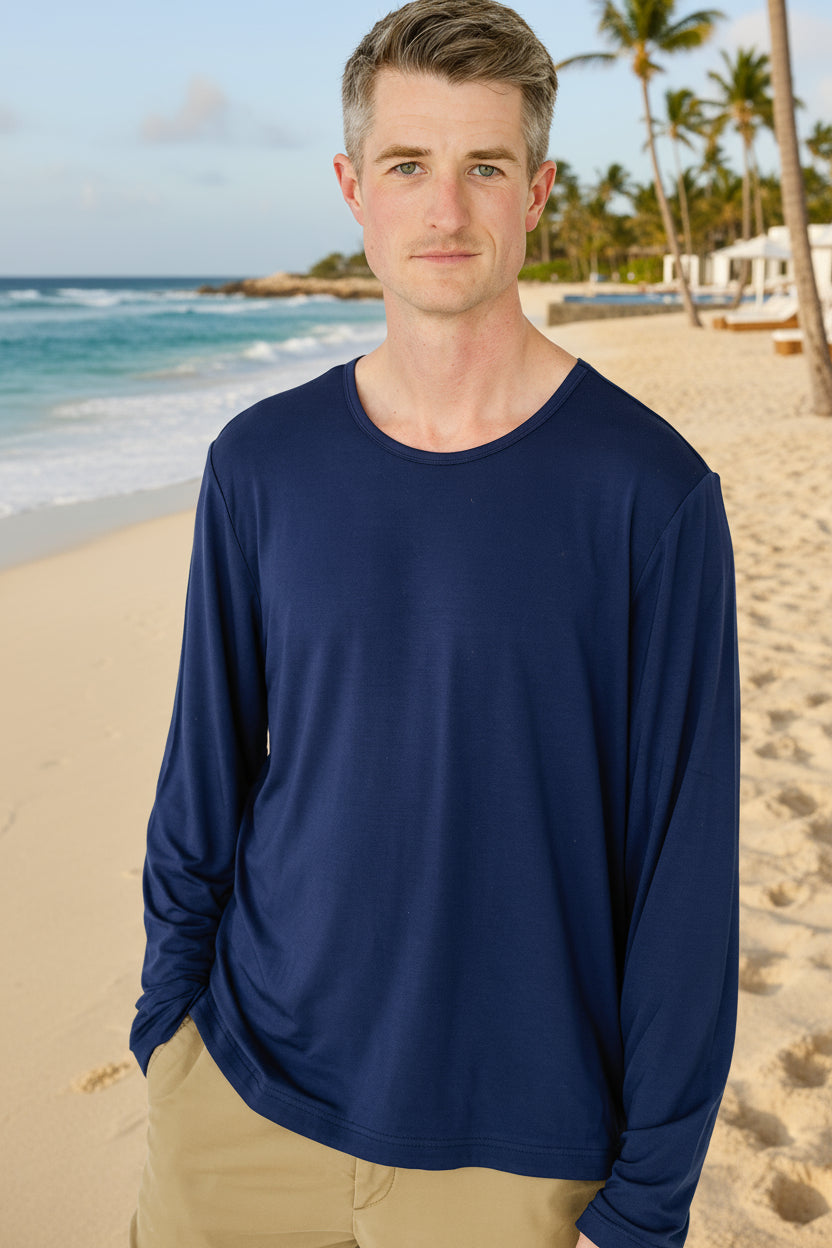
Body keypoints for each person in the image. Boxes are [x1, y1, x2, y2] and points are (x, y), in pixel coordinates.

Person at [129, 3, 740, 1246]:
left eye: (484, 168)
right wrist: (168, 1027)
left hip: (518, 1157)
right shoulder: (261, 463)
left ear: (539, 191)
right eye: (408, 166)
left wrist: (649, 1205)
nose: (444, 211)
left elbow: (685, 885)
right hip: (242, 1110)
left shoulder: (652, 496)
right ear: (355, 188)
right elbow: (202, 780)